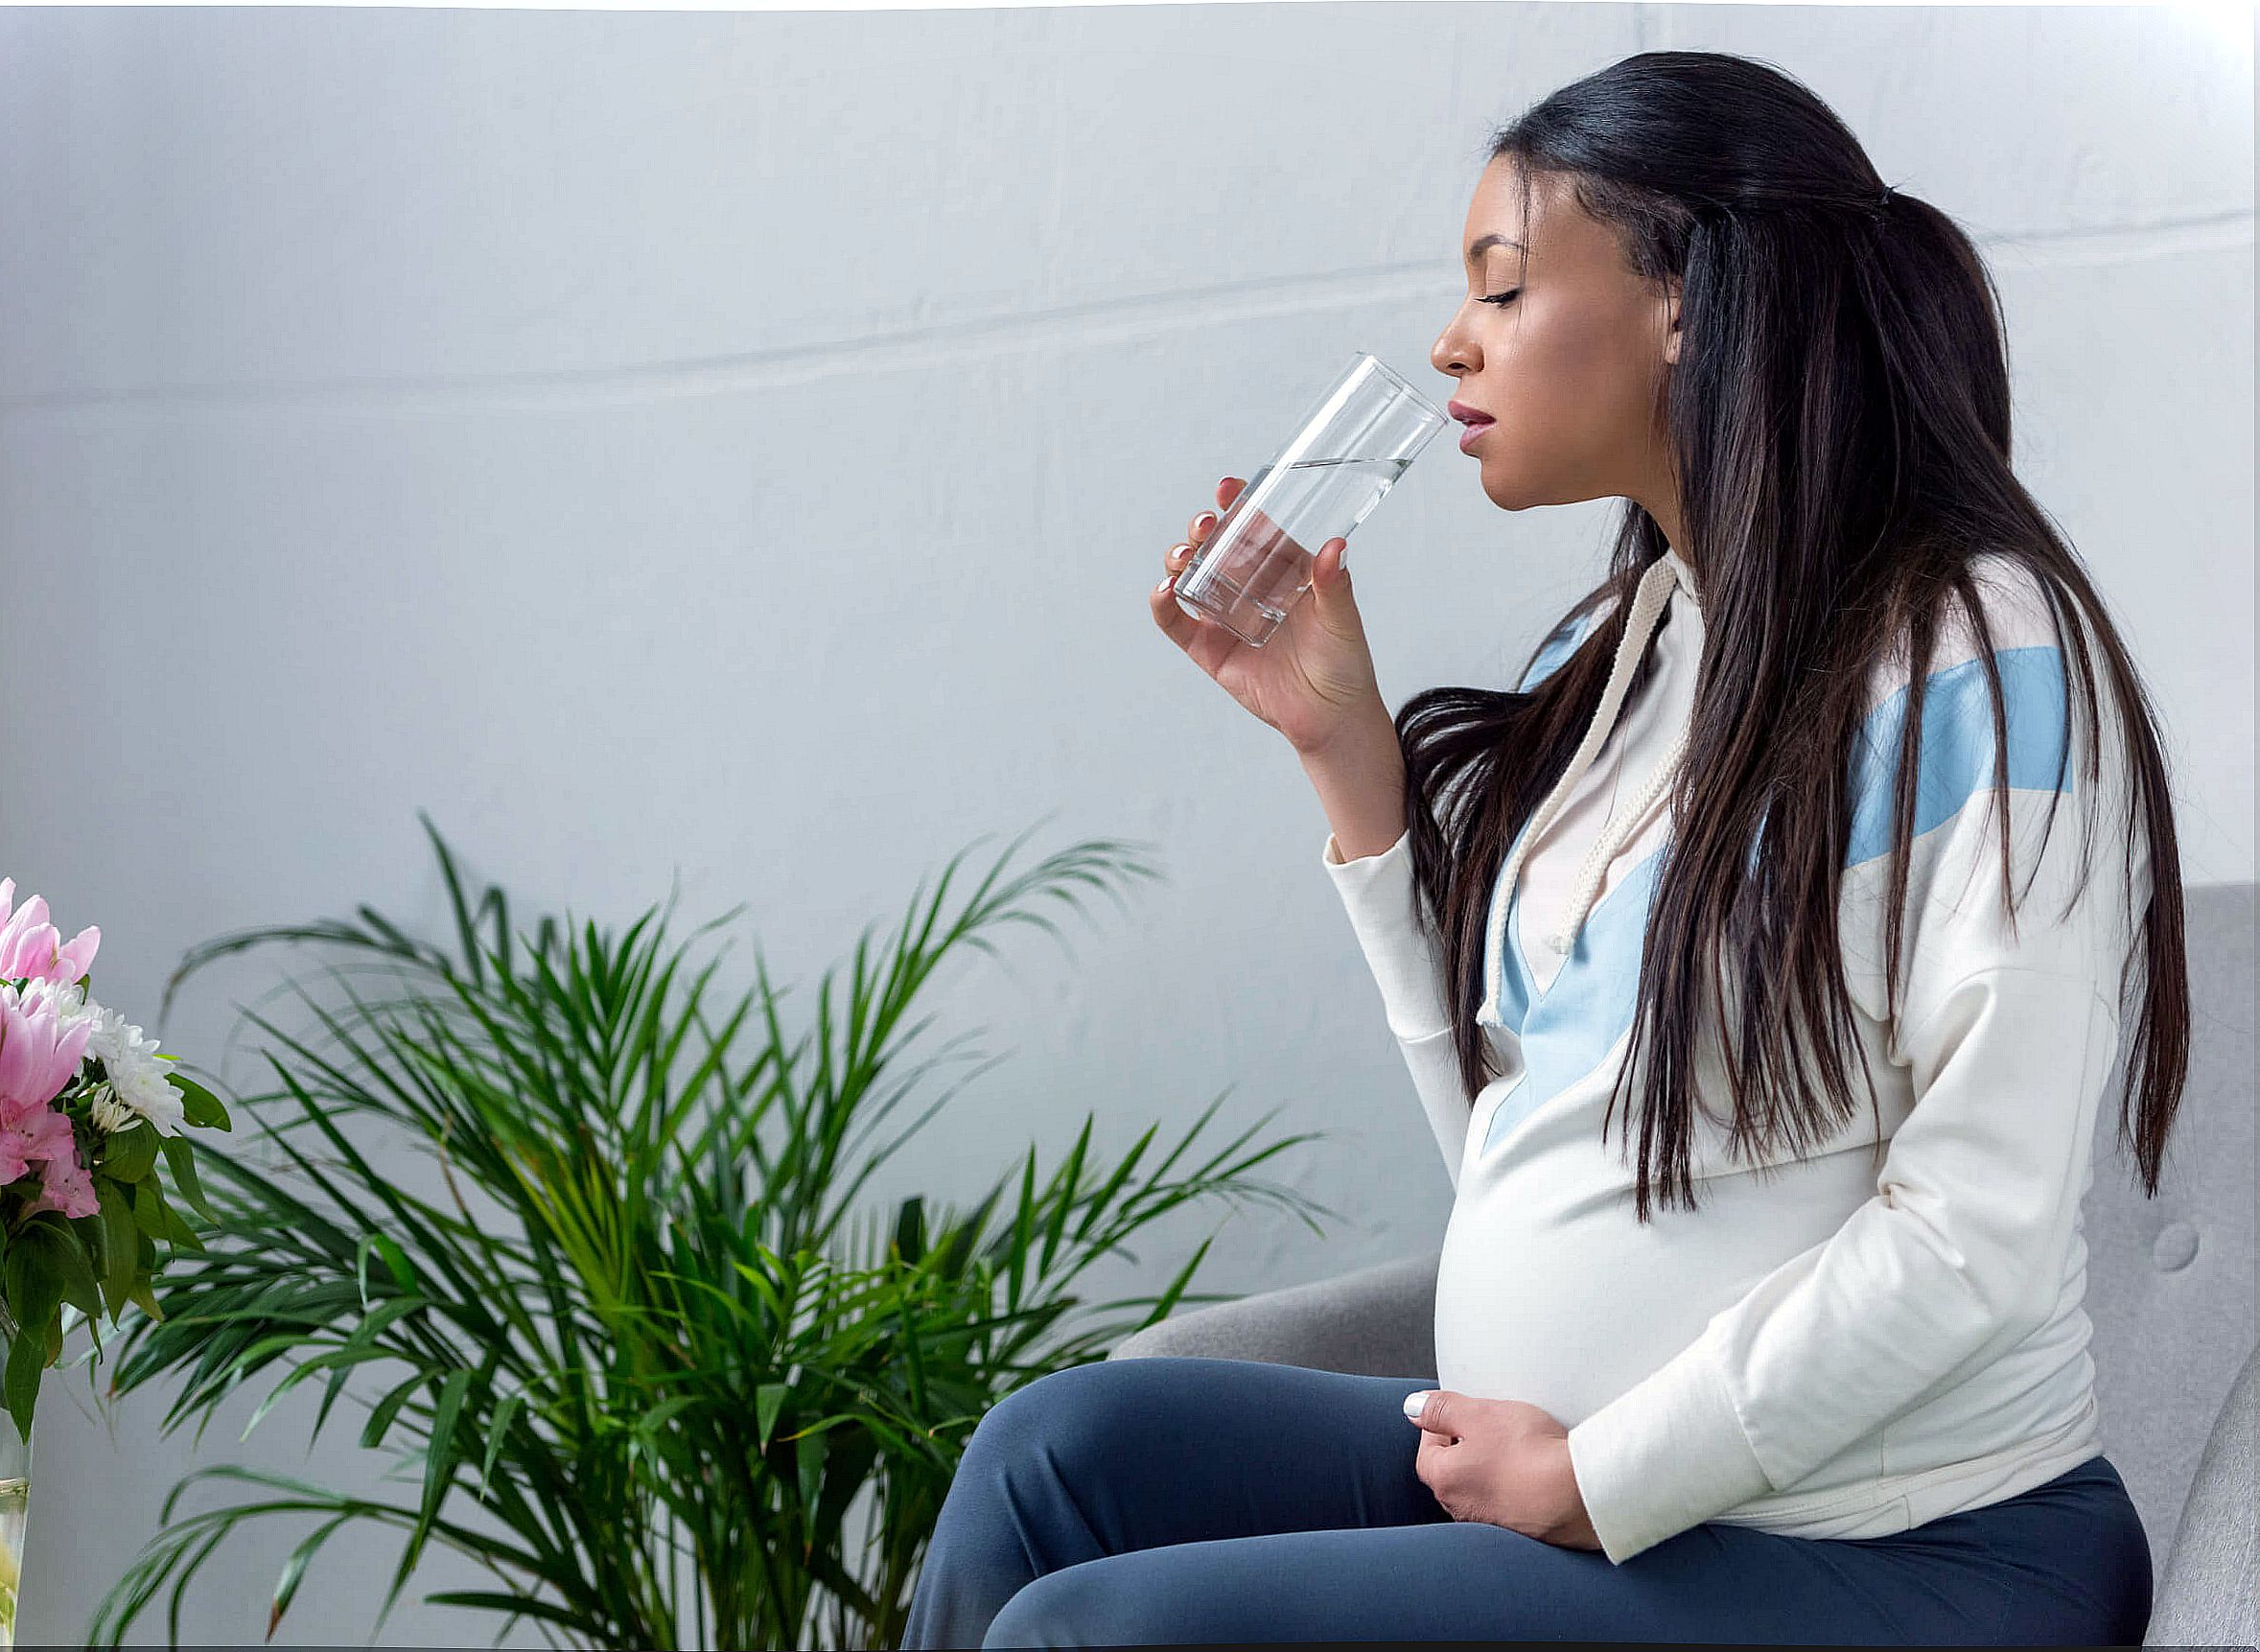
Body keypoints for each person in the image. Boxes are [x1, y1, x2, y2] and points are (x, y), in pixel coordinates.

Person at [900, 47, 2184, 1650]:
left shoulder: (1975, 655)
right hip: (1595, 1495)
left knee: (1099, 1635)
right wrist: (1350, 766)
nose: (1453, 343)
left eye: (1501, 290)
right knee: (1050, 1460)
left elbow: (1974, 1233)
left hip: (1901, 1549)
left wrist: (1604, 1473)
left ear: (1689, 308)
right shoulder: (1634, 651)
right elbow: (1532, 1149)